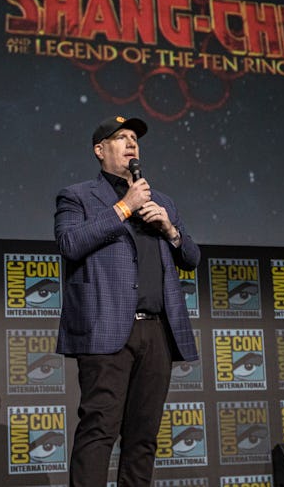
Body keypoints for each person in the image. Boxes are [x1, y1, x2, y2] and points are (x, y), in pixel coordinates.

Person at [55, 115, 200, 486]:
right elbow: (70, 244)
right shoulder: (77, 196)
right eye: (121, 137)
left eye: (135, 137)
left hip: (157, 333)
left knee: (143, 437)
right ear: (100, 150)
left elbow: (192, 258)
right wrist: (124, 207)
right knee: (99, 430)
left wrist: (170, 229)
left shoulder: (162, 201)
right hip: (106, 331)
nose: (131, 142)